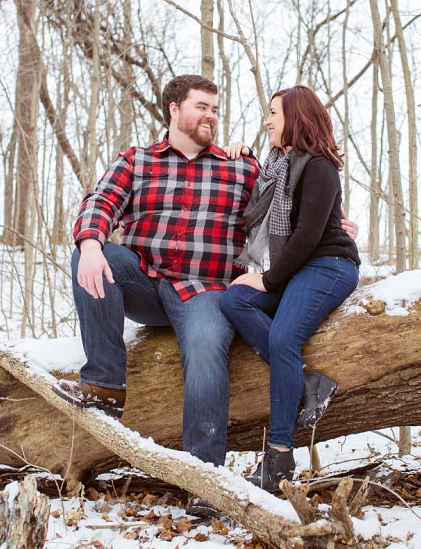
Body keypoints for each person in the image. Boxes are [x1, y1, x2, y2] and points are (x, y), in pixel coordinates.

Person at [53, 74, 258, 518]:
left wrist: (333, 222)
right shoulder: (138, 161)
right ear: (173, 108)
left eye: (216, 109)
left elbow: (285, 204)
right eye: (201, 106)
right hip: (144, 280)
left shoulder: (239, 167)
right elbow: (100, 202)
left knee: (206, 346)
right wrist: (90, 244)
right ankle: (105, 384)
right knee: (94, 253)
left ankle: (205, 479)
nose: (211, 116)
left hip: (205, 290)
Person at [219, 85, 360, 492]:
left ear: (295, 119)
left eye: (274, 114)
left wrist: (267, 278)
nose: (267, 121)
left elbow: (307, 236)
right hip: (298, 269)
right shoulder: (277, 167)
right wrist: (240, 153)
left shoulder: (319, 167)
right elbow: (257, 194)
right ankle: (307, 382)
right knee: (235, 298)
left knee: (283, 336)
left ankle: (279, 456)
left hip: (330, 265)